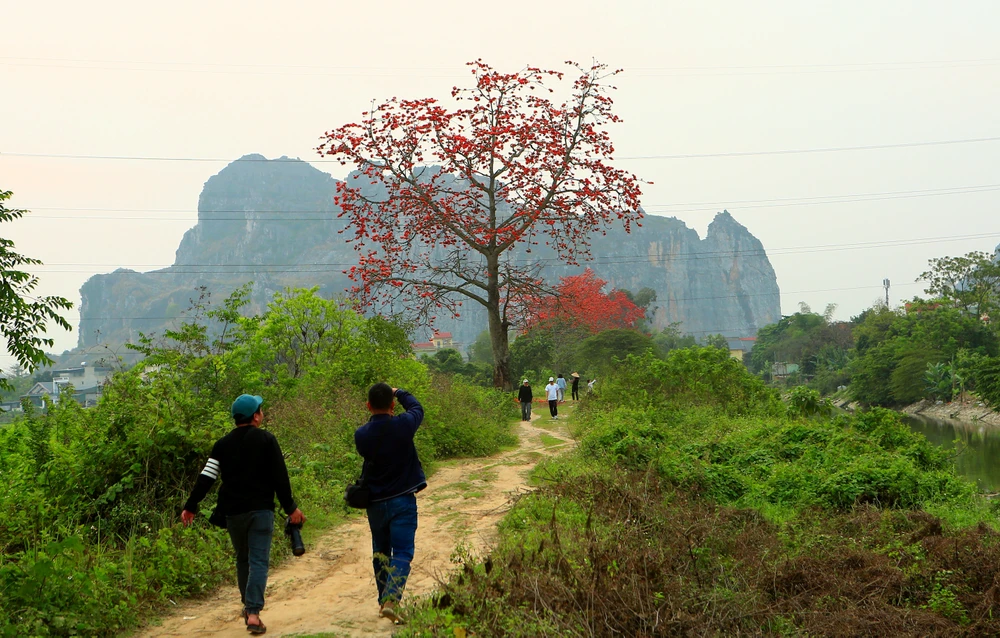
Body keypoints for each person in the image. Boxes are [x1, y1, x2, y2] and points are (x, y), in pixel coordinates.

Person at [181, 394, 305, 635]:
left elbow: (206, 478)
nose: (262, 414)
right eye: (261, 410)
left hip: (233, 513)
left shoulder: (222, 444)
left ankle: (249, 609)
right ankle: (254, 613)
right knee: (258, 561)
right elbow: (280, 478)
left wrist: (191, 506)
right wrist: (291, 508)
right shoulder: (267, 440)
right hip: (261, 511)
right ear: (255, 416)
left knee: (243, 559)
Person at [355, 383, 426, 624]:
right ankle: (391, 600)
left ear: (368, 406)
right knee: (403, 552)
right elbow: (417, 408)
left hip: (375, 502)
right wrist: (400, 392)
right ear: (393, 405)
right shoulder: (404, 425)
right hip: (402, 499)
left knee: (380, 552)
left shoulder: (361, 435)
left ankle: (383, 600)